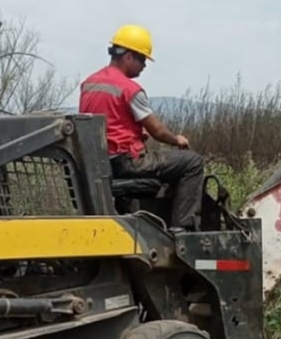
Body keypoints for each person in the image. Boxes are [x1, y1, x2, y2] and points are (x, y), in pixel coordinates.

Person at [78, 24, 205, 232]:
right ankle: (182, 228)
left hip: (98, 163)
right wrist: (177, 140)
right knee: (192, 162)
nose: (144, 66)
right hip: (125, 163)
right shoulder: (130, 89)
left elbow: (105, 120)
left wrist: (135, 132)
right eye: (142, 59)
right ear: (128, 56)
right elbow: (158, 132)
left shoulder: (89, 84)